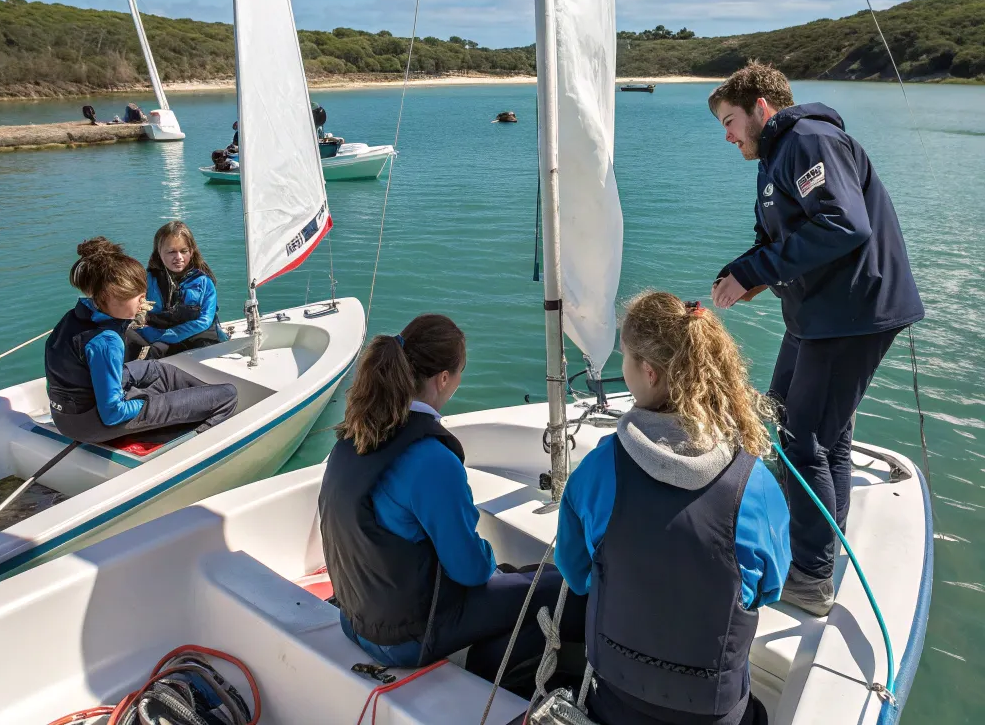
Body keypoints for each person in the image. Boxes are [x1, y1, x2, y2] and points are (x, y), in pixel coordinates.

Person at [707, 63, 923, 615]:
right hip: (819, 313)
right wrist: (742, 271)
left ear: (760, 107)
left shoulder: (809, 139)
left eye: (730, 121)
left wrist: (756, 274)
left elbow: (844, 224)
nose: (727, 136)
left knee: (806, 439)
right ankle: (819, 539)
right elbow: (779, 233)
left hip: (852, 313)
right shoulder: (778, 156)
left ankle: (812, 575)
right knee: (792, 425)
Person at [557, 291, 790, 725]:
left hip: (615, 702)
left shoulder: (596, 471)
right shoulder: (754, 485)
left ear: (648, 372)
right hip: (715, 711)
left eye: (625, 358)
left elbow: (575, 573)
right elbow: (768, 589)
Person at [319, 315, 585, 686]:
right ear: (443, 379)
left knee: (522, 577)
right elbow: (471, 570)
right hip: (405, 640)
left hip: (356, 621)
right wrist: (492, 565)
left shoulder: (352, 437)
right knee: (566, 587)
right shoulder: (430, 459)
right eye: (459, 372)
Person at [44, 237, 238, 444]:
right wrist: (148, 401)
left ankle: (197, 402)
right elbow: (113, 413)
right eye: (139, 297)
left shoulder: (72, 318)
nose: (144, 302)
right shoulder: (106, 340)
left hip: (66, 417)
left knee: (157, 369)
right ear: (110, 297)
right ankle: (188, 437)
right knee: (228, 394)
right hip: (92, 424)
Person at [137, 221, 227, 357]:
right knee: (152, 349)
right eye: (171, 252)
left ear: (191, 251)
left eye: (183, 251)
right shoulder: (148, 280)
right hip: (164, 337)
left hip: (200, 337)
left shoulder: (204, 282)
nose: (178, 257)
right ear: (159, 253)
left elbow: (204, 321)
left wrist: (163, 335)